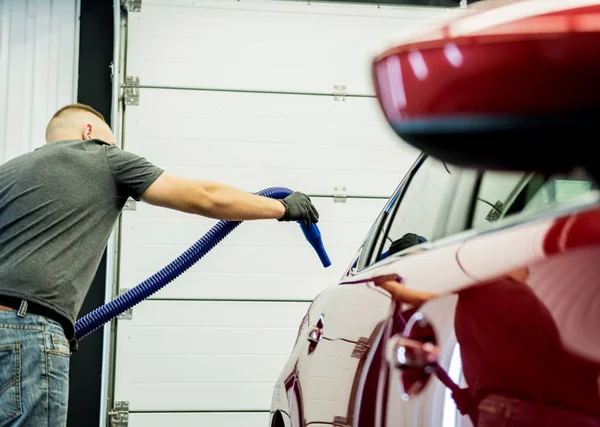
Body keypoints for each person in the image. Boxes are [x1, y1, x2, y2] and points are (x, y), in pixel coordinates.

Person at [0, 103, 320, 427]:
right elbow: (206, 197)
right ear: (88, 132)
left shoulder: (8, 173)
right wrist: (281, 207)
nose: (114, 149)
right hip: (30, 329)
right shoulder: (103, 158)